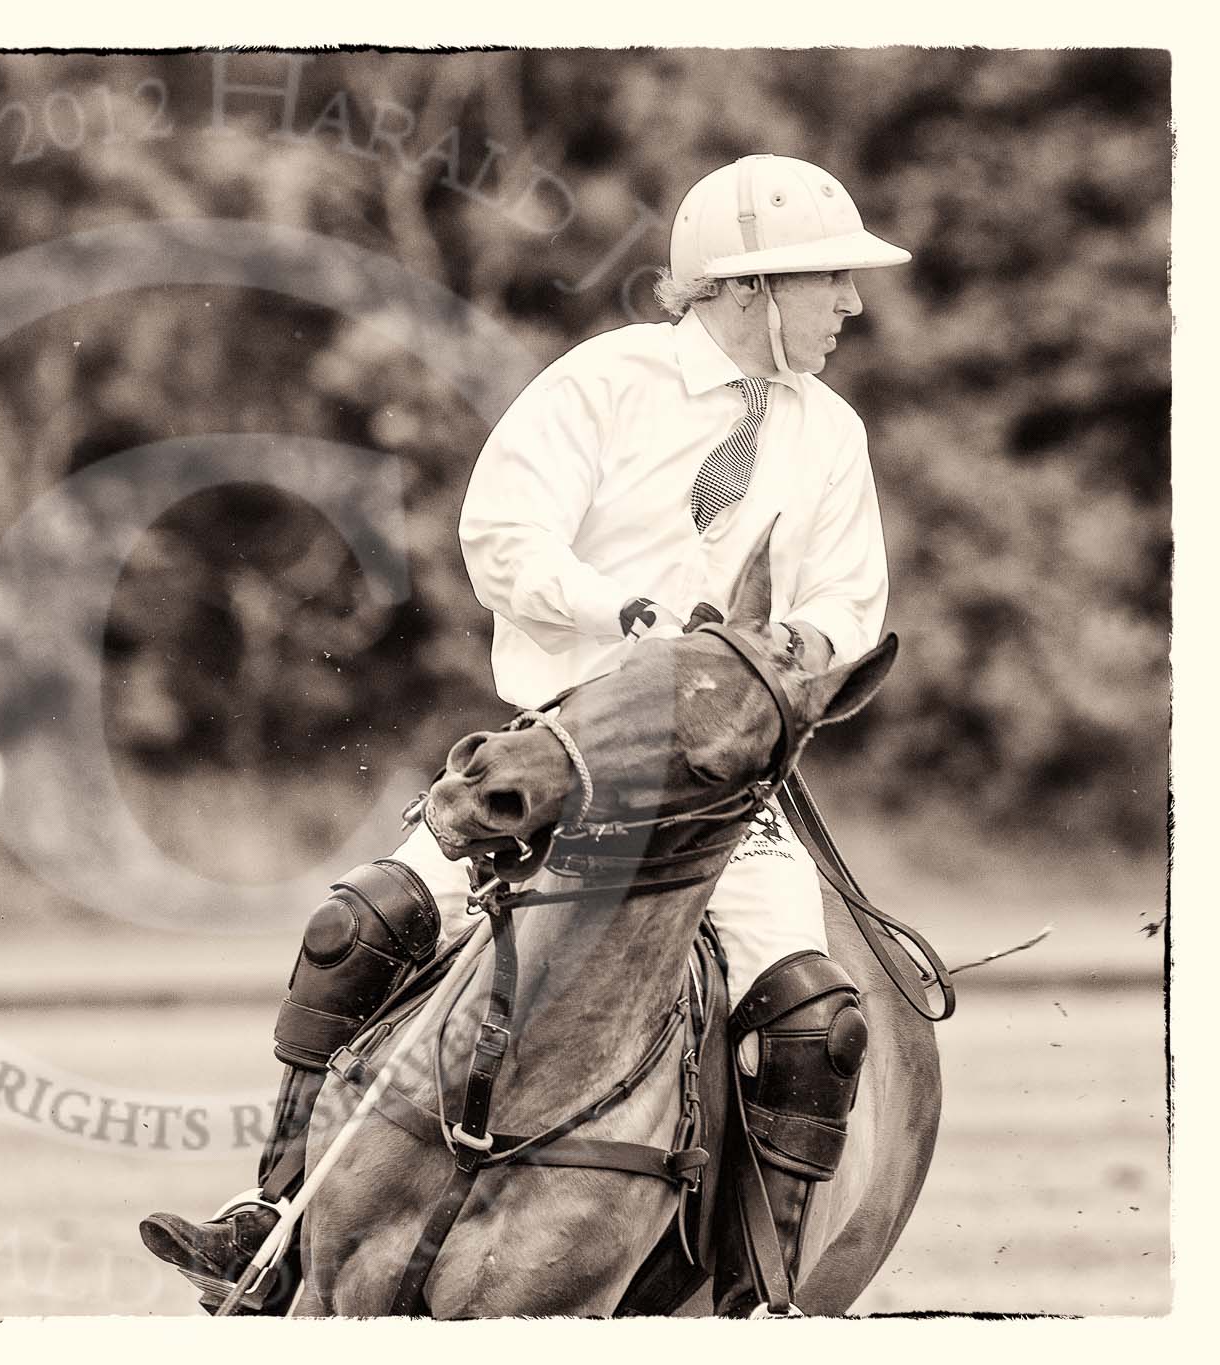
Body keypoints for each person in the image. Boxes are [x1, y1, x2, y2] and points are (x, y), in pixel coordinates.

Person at [139, 153, 910, 1314]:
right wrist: (629, 614)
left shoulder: (827, 433)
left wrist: (753, 665)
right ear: (750, 288)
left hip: (717, 791)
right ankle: (274, 1218)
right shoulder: (599, 385)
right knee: (358, 926)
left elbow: (848, 613)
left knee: (809, 1017)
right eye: (830, 283)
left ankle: (766, 1293)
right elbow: (502, 538)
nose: (849, 304)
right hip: (562, 759)